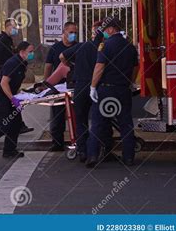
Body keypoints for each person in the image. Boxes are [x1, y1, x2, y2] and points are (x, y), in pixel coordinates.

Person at [86, 17, 139, 168]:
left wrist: (93, 87)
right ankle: (129, 157)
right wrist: (131, 82)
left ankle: (93, 156)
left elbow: (99, 67)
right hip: (123, 89)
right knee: (126, 124)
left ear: (110, 29)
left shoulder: (105, 46)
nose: (103, 33)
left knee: (98, 123)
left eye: (104, 30)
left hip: (106, 90)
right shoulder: (129, 46)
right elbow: (136, 67)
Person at [59, 21, 104, 162]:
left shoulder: (82, 46)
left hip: (80, 86)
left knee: (81, 120)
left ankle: (82, 151)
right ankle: (94, 152)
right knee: (98, 121)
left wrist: (73, 64)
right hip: (96, 87)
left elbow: (62, 57)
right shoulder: (103, 48)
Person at [0, 41, 35, 158]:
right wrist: (13, 99)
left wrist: (21, 95)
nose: (32, 54)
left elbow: (14, 83)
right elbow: (4, 83)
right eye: (30, 52)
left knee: (16, 123)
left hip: (8, 97)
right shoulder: (13, 63)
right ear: (22, 52)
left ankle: (9, 151)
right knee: (5, 123)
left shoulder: (22, 63)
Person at [0, 18, 34, 135]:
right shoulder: (1, 39)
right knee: (8, 101)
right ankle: (1, 129)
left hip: (10, 74)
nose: (15, 29)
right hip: (5, 74)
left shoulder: (9, 40)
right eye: (14, 27)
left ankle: (19, 125)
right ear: (7, 26)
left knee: (12, 102)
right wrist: (11, 63)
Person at [43, 21, 78, 151]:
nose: (73, 35)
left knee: (75, 114)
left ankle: (78, 140)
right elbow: (48, 66)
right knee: (57, 115)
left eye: (75, 32)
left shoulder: (78, 47)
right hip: (57, 87)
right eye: (71, 32)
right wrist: (46, 83)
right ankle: (57, 143)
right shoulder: (55, 48)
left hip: (73, 85)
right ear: (64, 32)